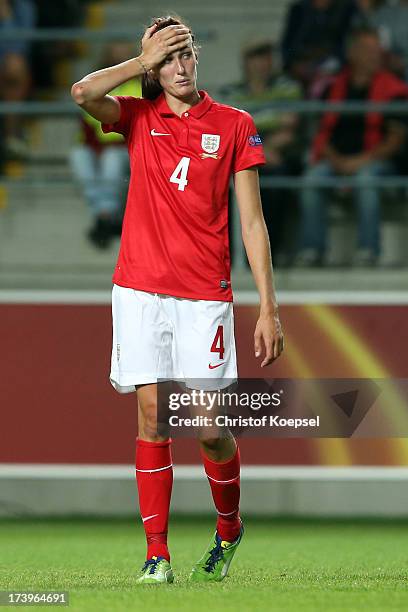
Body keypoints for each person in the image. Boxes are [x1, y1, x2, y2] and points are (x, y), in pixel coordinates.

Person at [71, 15, 284, 584]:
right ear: (153, 69)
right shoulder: (139, 118)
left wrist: (268, 306)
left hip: (204, 297)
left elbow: (253, 225)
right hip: (140, 290)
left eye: (186, 53)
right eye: (168, 58)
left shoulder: (235, 124)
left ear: (198, 59)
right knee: (152, 416)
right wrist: (139, 61)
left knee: (210, 427)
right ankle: (157, 555)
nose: (181, 65)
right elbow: (84, 93)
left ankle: (229, 525)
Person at [296, 27, 408, 267]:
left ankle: (368, 250)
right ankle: (312, 250)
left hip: (378, 163)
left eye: (377, 50)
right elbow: (319, 132)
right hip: (335, 161)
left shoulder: (395, 89)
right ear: (353, 53)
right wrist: (337, 160)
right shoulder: (332, 87)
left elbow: (396, 139)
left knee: (366, 178)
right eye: (368, 49)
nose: (375, 55)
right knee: (312, 178)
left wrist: (358, 162)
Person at [220, 40, 303, 264]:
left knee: (278, 183)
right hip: (244, 156)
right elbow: (226, 130)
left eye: (266, 57)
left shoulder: (287, 87)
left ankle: (271, 254)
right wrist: (261, 143)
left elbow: (290, 125)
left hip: (277, 157)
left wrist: (250, 126)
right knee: (218, 186)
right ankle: (231, 256)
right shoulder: (230, 91)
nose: (261, 63)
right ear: (245, 62)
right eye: (255, 57)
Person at [70, 43, 139, 249]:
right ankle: (105, 214)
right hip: (100, 147)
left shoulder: (141, 86)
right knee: (78, 156)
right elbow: (88, 128)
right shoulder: (97, 86)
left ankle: (105, 214)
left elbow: (138, 127)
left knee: (111, 159)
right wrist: (97, 149)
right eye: (115, 58)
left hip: (127, 147)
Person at [281, 0, 358, 91]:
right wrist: (294, 65)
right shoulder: (298, 9)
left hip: (333, 68)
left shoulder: (346, 8)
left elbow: (347, 44)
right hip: (300, 67)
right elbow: (287, 44)